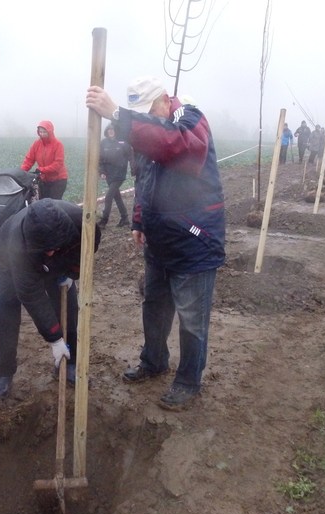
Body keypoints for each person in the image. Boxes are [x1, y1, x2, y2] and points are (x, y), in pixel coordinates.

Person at [86, 76, 225, 410]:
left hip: (194, 238)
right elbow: (145, 178)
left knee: (191, 318)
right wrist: (139, 219)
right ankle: (154, 361)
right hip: (160, 238)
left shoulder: (190, 118)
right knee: (154, 306)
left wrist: (118, 116)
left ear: (165, 99)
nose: (146, 119)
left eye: (149, 111)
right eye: (141, 115)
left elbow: (178, 146)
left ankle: (188, 382)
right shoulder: (153, 130)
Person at [0, 198, 101, 398]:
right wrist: (54, 339)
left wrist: (72, 271)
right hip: (10, 263)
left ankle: (69, 362)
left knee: (68, 309)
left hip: (60, 258)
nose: (49, 252)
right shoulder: (18, 244)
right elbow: (31, 295)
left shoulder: (80, 222)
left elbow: (88, 247)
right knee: (5, 313)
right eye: (45, 249)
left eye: (52, 248)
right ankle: (4, 372)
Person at [20, 120, 68, 200]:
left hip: (58, 180)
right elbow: (29, 160)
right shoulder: (37, 144)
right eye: (40, 132)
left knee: (54, 203)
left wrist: (42, 170)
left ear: (50, 132)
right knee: (43, 203)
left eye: (44, 132)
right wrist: (21, 172)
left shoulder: (58, 145)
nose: (42, 134)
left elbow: (58, 164)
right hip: (44, 180)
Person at [98, 122, 132, 228]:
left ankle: (104, 221)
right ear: (107, 131)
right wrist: (102, 172)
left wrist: (134, 169)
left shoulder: (122, 143)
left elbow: (131, 156)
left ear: (116, 131)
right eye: (109, 129)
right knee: (117, 197)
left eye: (112, 129)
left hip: (119, 174)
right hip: (109, 175)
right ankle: (125, 218)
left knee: (108, 197)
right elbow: (100, 159)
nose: (111, 131)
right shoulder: (103, 143)